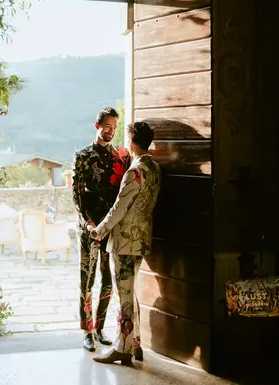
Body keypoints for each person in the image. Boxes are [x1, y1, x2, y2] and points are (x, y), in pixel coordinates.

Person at [87, 121, 161, 365]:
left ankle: (123, 347)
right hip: (142, 238)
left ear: (131, 142)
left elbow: (119, 208)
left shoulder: (135, 171)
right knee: (130, 291)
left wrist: (100, 230)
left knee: (124, 294)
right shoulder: (154, 168)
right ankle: (136, 342)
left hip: (125, 241)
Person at [72, 107, 131, 352]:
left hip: (111, 227)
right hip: (89, 226)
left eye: (115, 127)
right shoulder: (83, 156)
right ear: (97, 126)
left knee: (108, 280)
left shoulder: (122, 155)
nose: (111, 131)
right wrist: (88, 223)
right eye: (107, 126)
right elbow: (76, 195)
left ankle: (101, 327)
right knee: (87, 280)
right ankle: (87, 331)